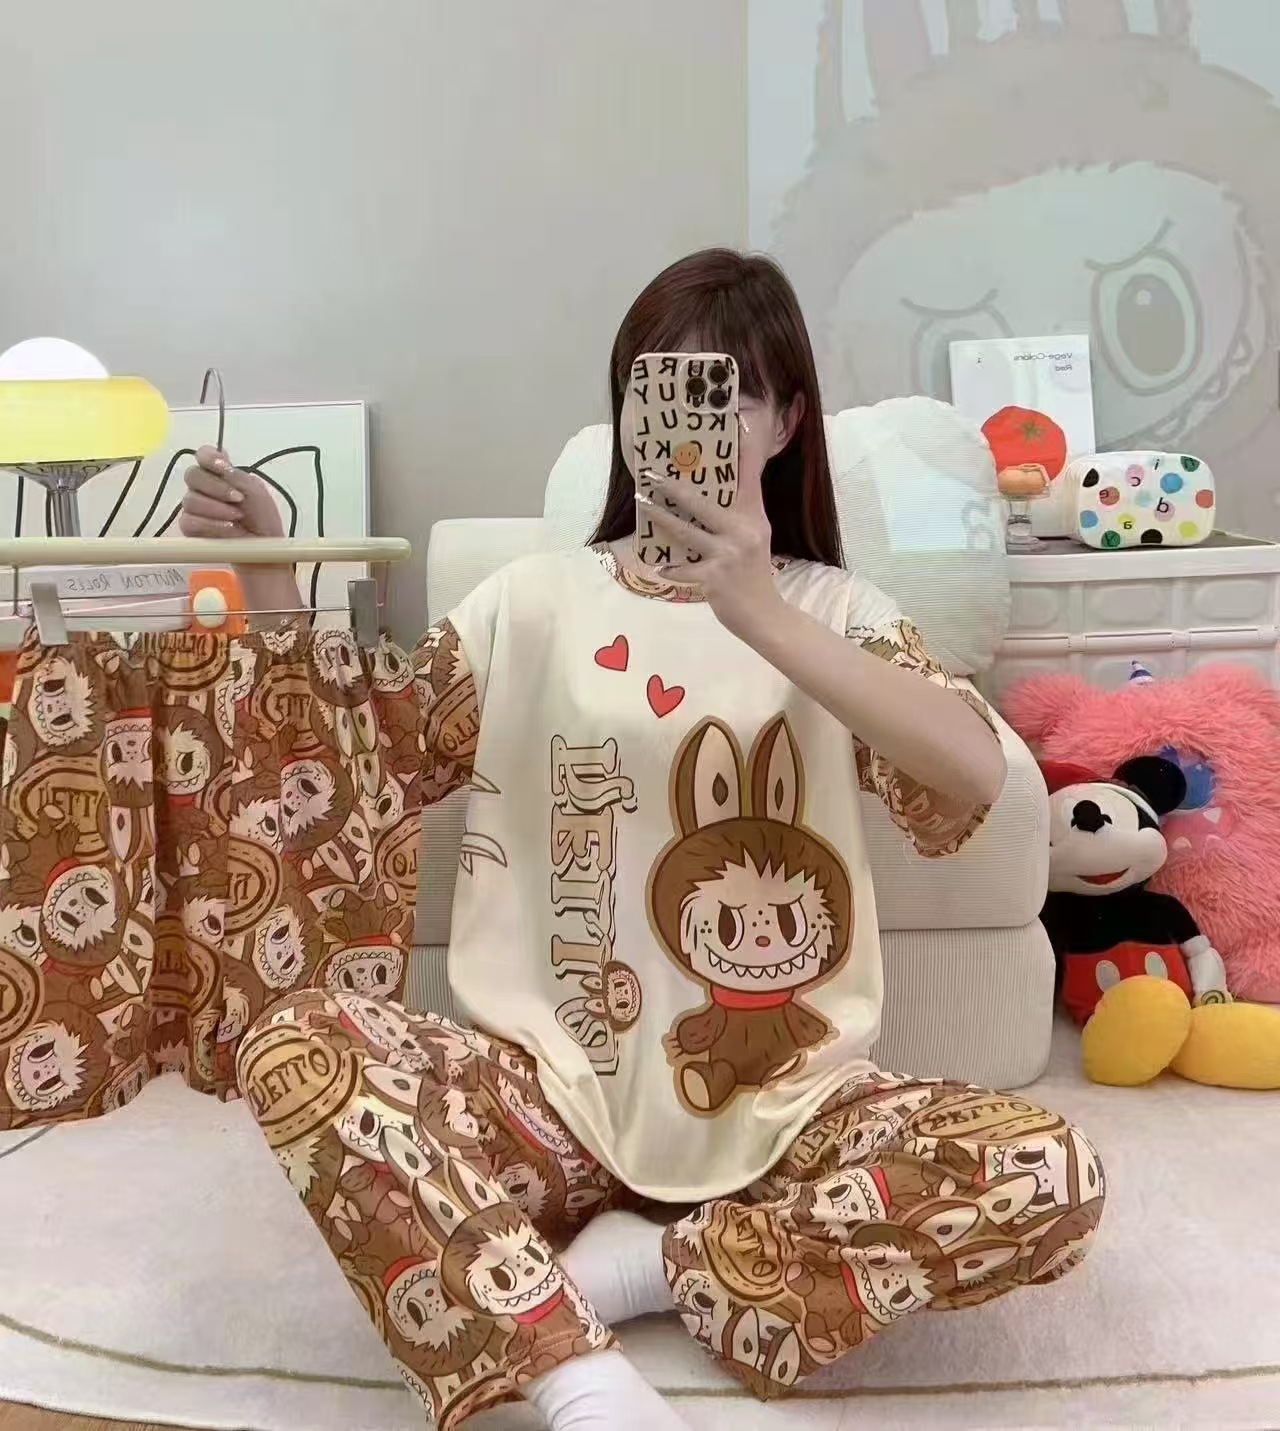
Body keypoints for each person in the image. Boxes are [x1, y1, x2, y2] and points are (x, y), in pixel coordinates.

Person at [181, 249, 1104, 1431]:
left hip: (789, 1114)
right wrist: (269, 569)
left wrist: (758, 610)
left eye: (728, 395)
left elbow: (971, 777)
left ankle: (654, 1267)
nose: (680, 423)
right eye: (649, 389)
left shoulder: (837, 613)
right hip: (538, 1102)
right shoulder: (530, 599)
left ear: (786, 422)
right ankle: (571, 1374)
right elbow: (356, 767)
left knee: (1045, 1172)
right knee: (296, 1046)